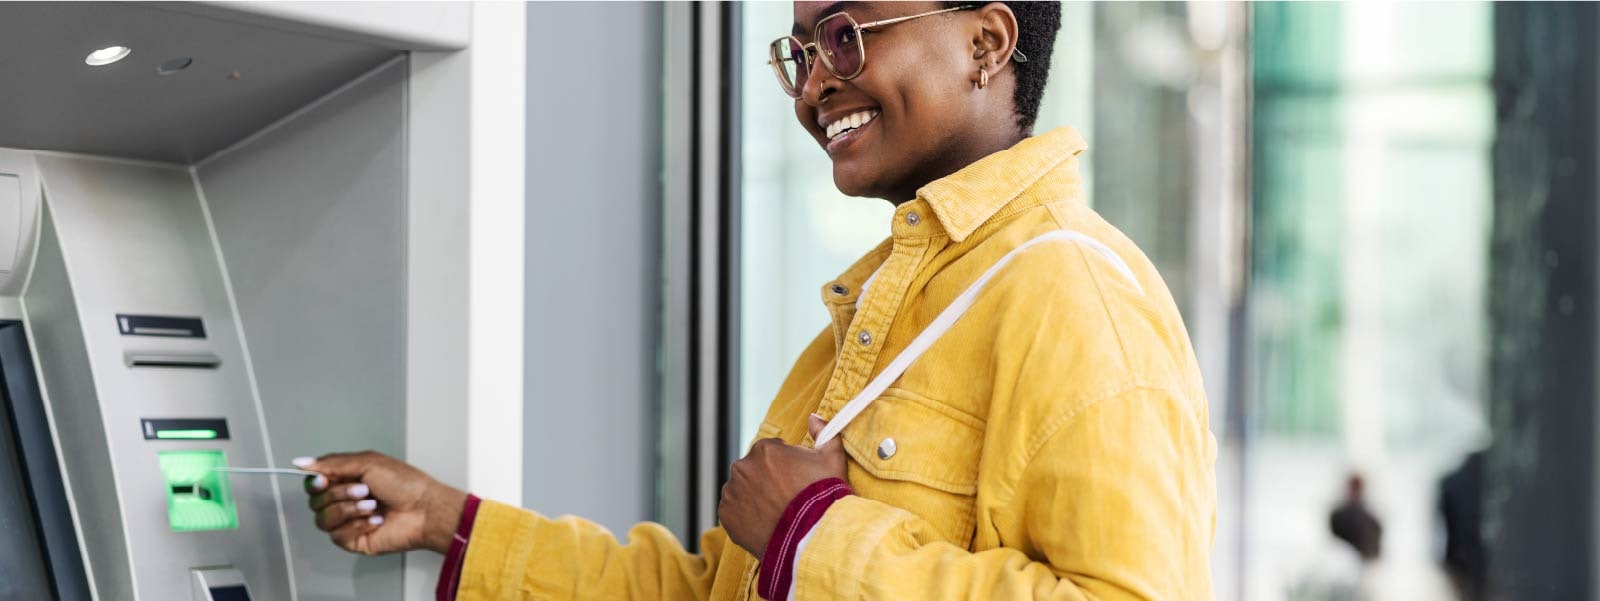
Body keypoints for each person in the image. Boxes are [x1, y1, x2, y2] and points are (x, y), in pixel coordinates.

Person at [298, 2, 1217, 599]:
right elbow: (717, 589)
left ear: (986, 42)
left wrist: (815, 532)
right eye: (802, 50)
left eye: (848, 34)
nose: (816, 82)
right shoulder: (884, 304)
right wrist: (451, 521)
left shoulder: (1075, 295)